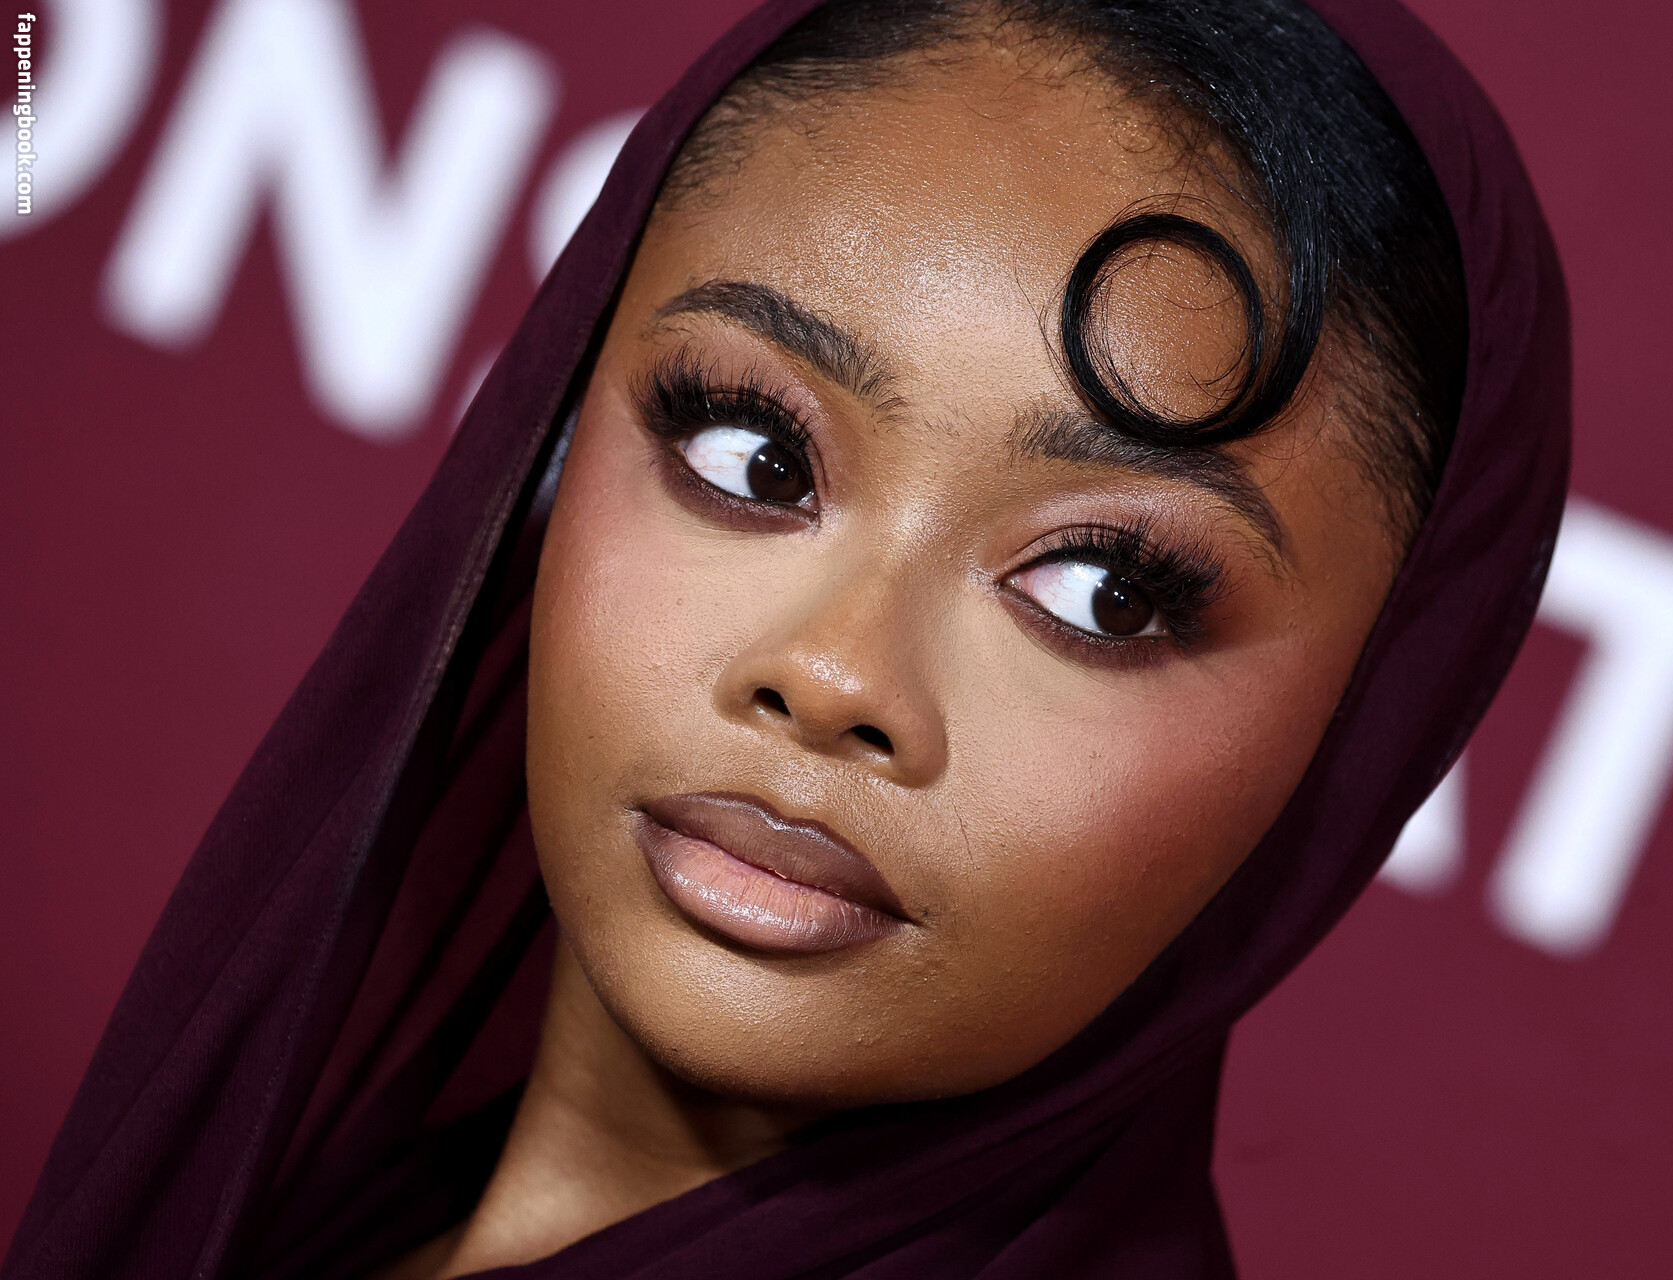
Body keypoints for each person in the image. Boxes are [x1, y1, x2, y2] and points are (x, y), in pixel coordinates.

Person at [3, 0, 1567, 1277]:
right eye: (753, 455)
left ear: (1369, 735)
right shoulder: (299, 1208)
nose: (829, 679)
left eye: (1106, 589)